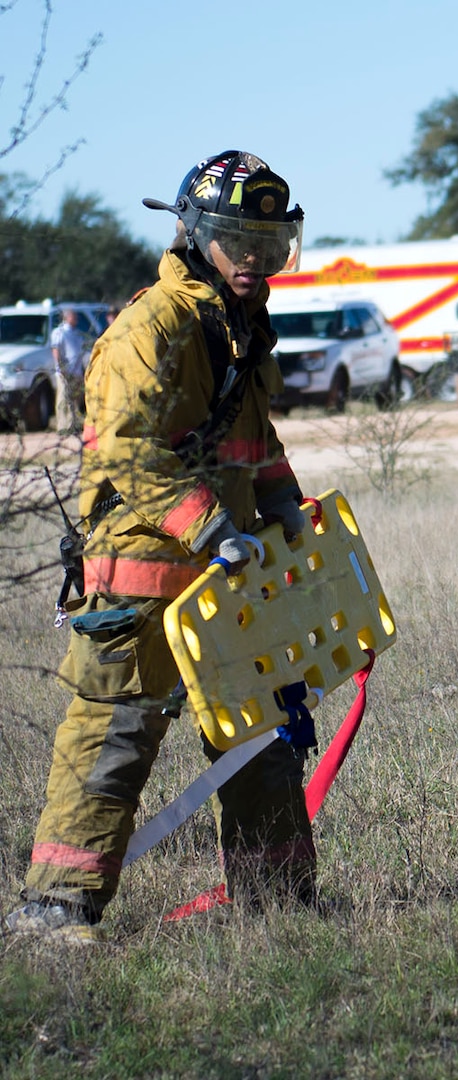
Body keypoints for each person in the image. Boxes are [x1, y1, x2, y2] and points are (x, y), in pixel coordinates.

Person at [3, 151, 314, 942]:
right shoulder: (154, 325)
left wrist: (281, 501)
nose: (255, 259)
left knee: (260, 747)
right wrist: (212, 526)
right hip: (141, 581)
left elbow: (252, 435)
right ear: (197, 235)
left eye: (271, 243)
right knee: (110, 749)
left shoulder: (240, 328)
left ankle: (278, 909)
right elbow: (128, 448)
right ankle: (53, 915)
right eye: (241, 240)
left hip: (228, 578)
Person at [48, 307, 87, 434]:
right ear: (67, 317)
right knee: (63, 398)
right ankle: (63, 426)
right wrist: (61, 367)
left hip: (76, 371)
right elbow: (56, 350)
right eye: (73, 316)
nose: (76, 319)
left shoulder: (76, 333)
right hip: (65, 371)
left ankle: (73, 424)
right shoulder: (60, 332)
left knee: (75, 400)